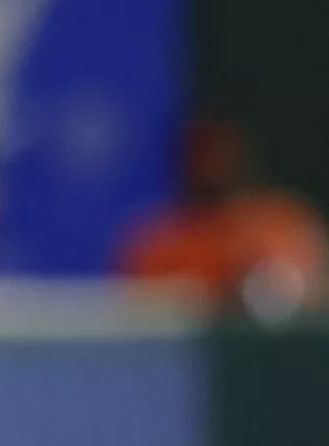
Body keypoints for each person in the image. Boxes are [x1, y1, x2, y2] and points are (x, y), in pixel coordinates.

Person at [117, 117, 326, 318]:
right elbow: (138, 308)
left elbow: (311, 290)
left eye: (221, 152)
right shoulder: (157, 239)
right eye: (203, 153)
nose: (212, 164)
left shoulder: (282, 223)